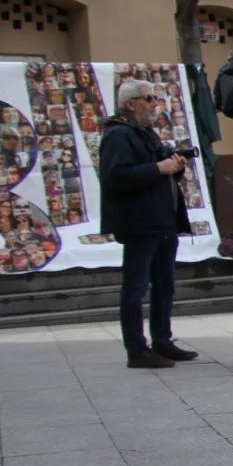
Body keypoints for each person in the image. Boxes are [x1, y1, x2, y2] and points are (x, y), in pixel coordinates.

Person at [99, 79, 198, 369]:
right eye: (148, 98)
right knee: (136, 286)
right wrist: (158, 168)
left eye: (155, 97)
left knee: (164, 285)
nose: (155, 103)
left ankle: (162, 341)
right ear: (130, 104)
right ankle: (136, 350)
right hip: (139, 223)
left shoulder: (145, 133)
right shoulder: (118, 134)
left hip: (162, 221)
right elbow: (116, 177)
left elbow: (158, 171)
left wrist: (173, 166)